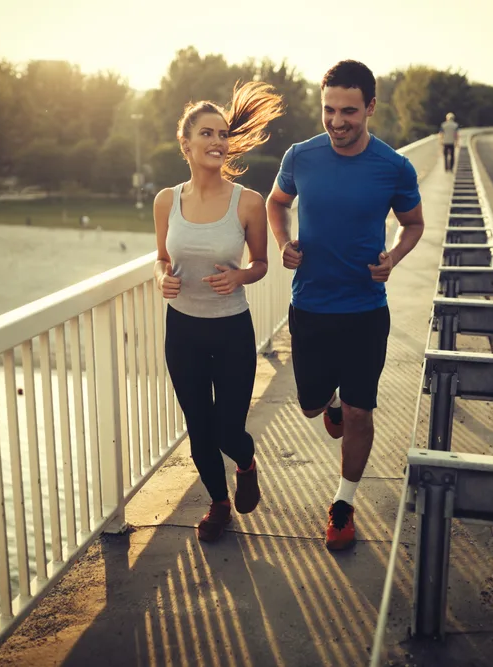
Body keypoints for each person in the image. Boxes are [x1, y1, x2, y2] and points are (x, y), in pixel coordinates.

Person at [266, 60, 425, 551]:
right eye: (329, 110)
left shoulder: (394, 167)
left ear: (371, 108)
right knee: (313, 406)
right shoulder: (300, 156)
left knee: (360, 413)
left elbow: (413, 223)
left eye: (349, 111)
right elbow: (275, 203)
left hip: (364, 311)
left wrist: (393, 258)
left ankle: (343, 503)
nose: (337, 121)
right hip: (310, 306)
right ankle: (328, 403)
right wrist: (283, 242)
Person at [153, 82, 284, 542]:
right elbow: (162, 260)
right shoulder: (166, 201)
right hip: (182, 330)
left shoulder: (247, 202)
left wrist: (240, 277)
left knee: (229, 427)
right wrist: (162, 278)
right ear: (186, 144)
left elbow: (262, 265)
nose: (217, 142)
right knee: (198, 426)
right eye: (207, 134)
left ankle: (246, 463)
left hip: (231, 329)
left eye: (223, 134)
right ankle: (218, 503)